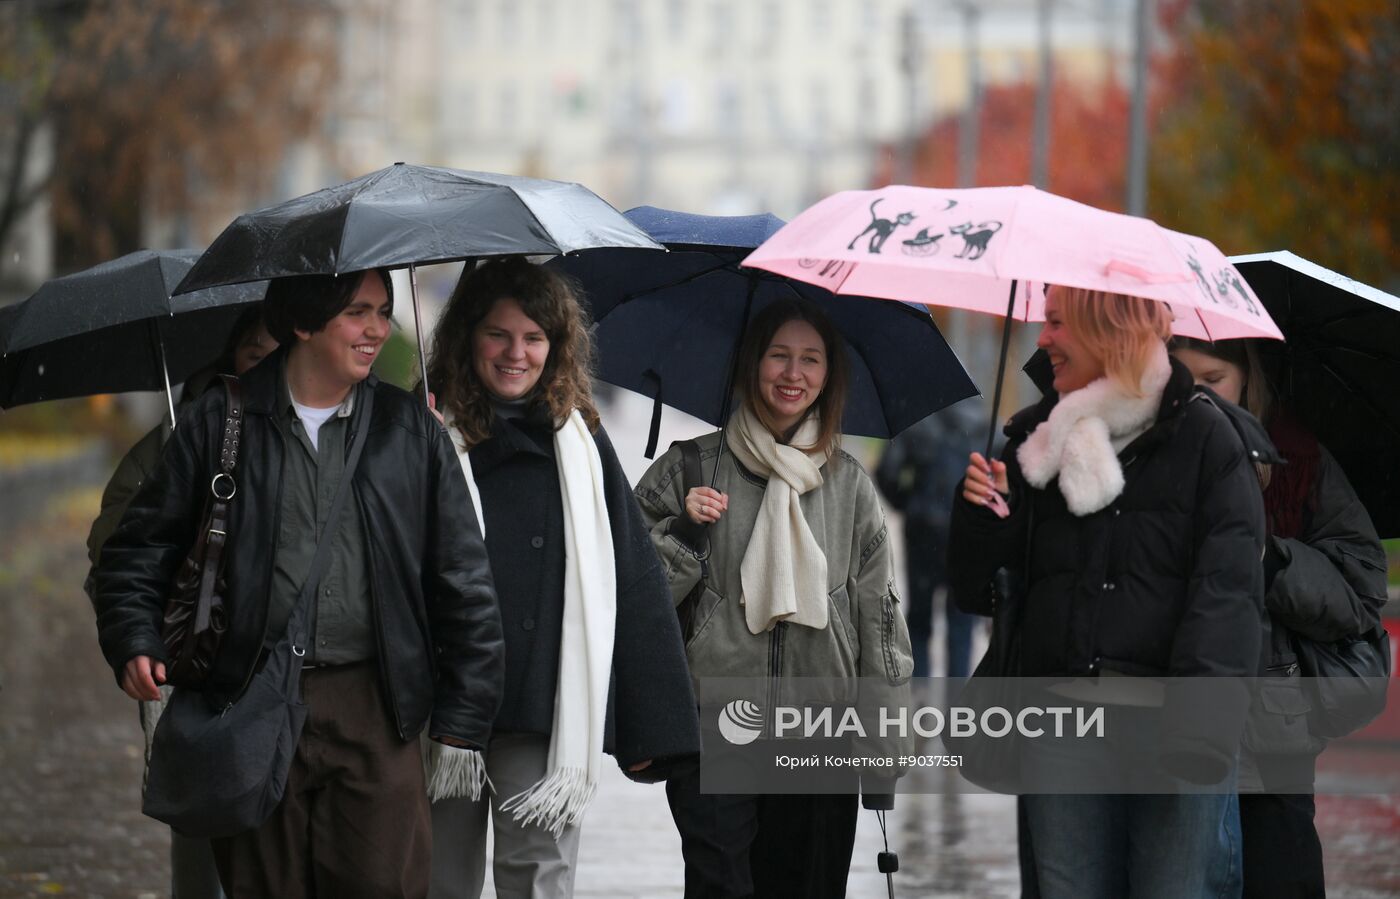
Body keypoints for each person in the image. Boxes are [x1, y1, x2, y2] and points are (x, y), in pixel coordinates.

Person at [95, 269, 504, 898]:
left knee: (383, 885)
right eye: (358, 312)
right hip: (248, 695)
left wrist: (464, 712)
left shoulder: (411, 431)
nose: (377, 329)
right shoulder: (219, 423)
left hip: (377, 706)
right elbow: (139, 548)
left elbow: (463, 576)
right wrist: (133, 639)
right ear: (305, 323)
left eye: (383, 311)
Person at [948, 286, 1266, 899]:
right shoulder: (1035, 442)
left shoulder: (1208, 438)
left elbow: (1227, 597)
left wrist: (1199, 733)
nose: (1042, 340)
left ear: (1108, 328)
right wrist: (986, 518)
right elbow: (973, 590)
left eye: (1058, 323)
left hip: (1174, 728)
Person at [423, 258, 699, 898]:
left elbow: (629, 572)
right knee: (438, 881)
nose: (516, 354)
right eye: (498, 334)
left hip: (542, 707)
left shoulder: (580, 440)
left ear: (556, 345)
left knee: (538, 879)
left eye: (534, 338)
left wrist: (651, 722)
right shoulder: (424, 432)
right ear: (469, 336)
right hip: (440, 704)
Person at [635, 298, 914, 899]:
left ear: (829, 375)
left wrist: (883, 751)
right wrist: (683, 535)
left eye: (810, 359)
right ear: (750, 364)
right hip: (714, 732)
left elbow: (881, 629)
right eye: (778, 355)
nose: (793, 374)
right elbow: (627, 602)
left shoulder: (850, 487)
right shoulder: (688, 470)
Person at [1172, 336, 1387, 899]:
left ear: (1248, 380)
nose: (1198, 398)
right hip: (1165, 727)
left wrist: (1269, 558)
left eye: (1213, 381)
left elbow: (1361, 591)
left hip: (1270, 734)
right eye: (1180, 379)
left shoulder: (1299, 459)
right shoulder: (1137, 458)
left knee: (1279, 876)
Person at [83, 305, 275, 899]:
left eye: (279, 353)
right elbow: (116, 550)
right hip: (188, 656)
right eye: (254, 353)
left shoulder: (312, 433)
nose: (267, 367)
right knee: (199, 810)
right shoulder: (172, 438)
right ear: (230, 359)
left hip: (276, 658)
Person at [875, 403, 980, 679]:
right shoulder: (985, 422)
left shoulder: (918, 422)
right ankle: (956, 709)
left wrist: (907, 503)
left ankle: (920, 697)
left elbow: (887, 470)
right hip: (968, 536)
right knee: (962, 624)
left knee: (919, 620)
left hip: (924, 533)